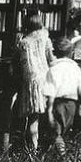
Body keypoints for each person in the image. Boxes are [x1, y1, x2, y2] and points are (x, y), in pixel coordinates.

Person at [15, 13, 55, 152]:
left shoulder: (24, 42)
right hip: (45, 77)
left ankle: (33, 148)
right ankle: (51, 143)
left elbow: (21, 64)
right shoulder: (44, 36)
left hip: (32, 80)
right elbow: (51, 58)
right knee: (47, 113)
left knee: (33, 117)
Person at [44, 37, 81, 155]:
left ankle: (62, 156)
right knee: (65, 131)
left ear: (55, 53)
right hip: (72, 104)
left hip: (57, 103)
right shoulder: (75, 68)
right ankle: (62, 154)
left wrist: (49, 111)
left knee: (56, 132)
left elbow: (50, 91)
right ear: (70, 53)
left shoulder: (53, 69)